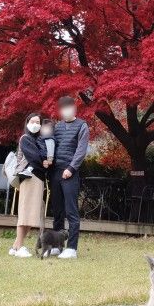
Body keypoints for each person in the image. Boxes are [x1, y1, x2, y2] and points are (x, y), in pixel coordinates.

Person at [49, 95, 89, 259]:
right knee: (57, 210)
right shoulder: (56, 127)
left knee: (71, 211)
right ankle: (57, 246)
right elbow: (49, 145)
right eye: (63, 108)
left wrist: (71, 168)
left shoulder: (82, 126)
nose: (66, 111)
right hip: (55, 172)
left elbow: (81, 149)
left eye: (68, 107)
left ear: (74, 108)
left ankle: (72, 248)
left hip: (70, 172)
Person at [9, 112, 48, 258]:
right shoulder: (25, 139)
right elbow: (35, 158)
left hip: (38, 178)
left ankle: (15, 246)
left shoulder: (40, 140)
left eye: (38, 122)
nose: (35, 124)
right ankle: (19, 248)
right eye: (33, 121)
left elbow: (45, 157)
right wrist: (44, 162)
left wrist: (46, 161)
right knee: (25, 213)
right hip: (28, 177)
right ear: (27, 123)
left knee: (32, 215)